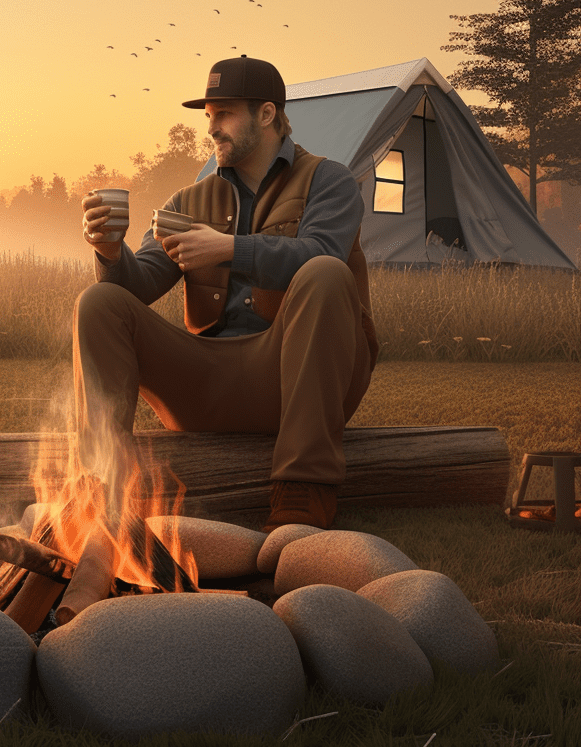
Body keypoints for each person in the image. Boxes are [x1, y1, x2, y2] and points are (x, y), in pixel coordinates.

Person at [75, 55, 379, 532]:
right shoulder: (186, 201)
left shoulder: (330, 180)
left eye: (224, 114)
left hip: (294, 377)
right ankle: (106, 486)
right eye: (208, 117)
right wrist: (110, 251)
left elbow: (323, 253)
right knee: (99, 302)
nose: (212, 128)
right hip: (208, 381)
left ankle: (303, 493)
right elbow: (139, 287)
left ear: (266, 114)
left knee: (324, 271)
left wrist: (230, 250)